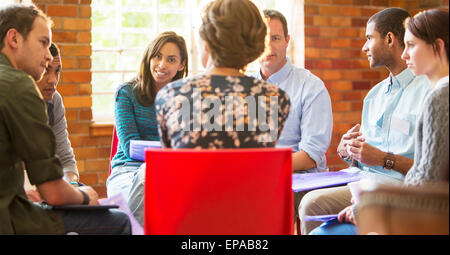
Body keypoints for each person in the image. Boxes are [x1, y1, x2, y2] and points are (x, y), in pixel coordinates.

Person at [309, 9, 449, 235]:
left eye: (411, 45)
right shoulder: (375, 95)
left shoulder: (436, 97)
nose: (405, 54)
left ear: (438, 47)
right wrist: (349, 151)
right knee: (309, 201)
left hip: (407, 199)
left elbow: (426, 181)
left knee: (317, 221)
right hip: (373, 185)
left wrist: (372, 206)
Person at [0, 3, 130, 234]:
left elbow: (62, 161)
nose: (48, 55)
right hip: (10, 217)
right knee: (118, 220)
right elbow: (52, 190)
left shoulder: (42, 96)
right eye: (43, 43)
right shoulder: (20, 85)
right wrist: (83, 196)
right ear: (14, 38)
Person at [155, 0, 290, 149]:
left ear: (206, 43)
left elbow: (170, 162)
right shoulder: (276, 98)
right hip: (248, 173)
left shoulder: (171, 95)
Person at [250, 9, 333, 223]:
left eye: (275, 38)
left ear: (287, 41)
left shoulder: (311, 87)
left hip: (297, 180)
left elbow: (310, 156)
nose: (268, 46)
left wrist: (263, 167)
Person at [106, 31, 188, 223]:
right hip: (128, 170)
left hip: (169, 171)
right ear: (149, 57)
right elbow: (129, 147)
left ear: (181, 65)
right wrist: (167, 151)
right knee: (149, 194)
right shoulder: (126, 93)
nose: (162, 65)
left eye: (171, 59)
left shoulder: (186, 98)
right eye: (157, 56)